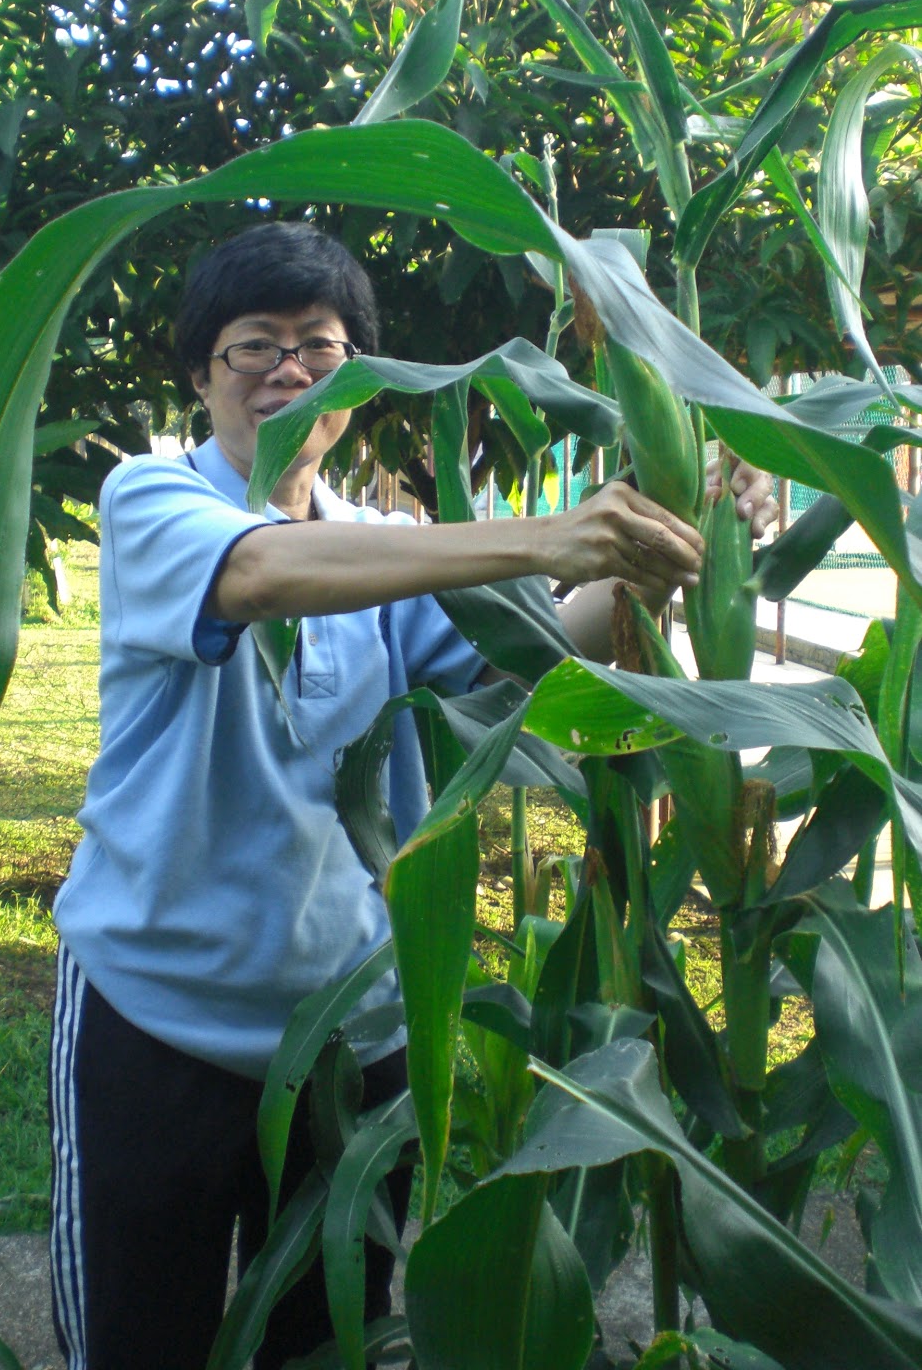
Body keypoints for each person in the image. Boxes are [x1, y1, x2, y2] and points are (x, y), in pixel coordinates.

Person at [48, 221, 774, 1370]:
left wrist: (663, 533)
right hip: (157, 1020)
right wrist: (546, 535)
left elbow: (545, 652)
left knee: (324, 1346)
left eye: (322, 347)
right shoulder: (150, 500)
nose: (287, 370)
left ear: (365, 381)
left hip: (352, 1035)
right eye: (252, 346)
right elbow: (258, 574)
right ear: (199, 373)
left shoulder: (384, 550)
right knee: (143, 1345)